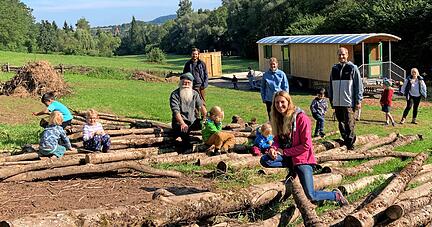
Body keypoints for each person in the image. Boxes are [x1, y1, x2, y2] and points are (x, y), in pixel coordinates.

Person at [260, 91, 348, 205]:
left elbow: (306, 146)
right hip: (289, 157)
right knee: (265, 160)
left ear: (289, 102)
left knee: (311, 195)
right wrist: (272, 148)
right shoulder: (278, 118)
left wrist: (284, 152)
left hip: (302, 158)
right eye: (276, 103)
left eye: (282, 102)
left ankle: (335, 195)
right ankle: (293, 170)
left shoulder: (301, 118)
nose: (279, 105)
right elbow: (277, 139)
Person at [328, 47, 363, 150]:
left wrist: (358, 100)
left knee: (349, 123)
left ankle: (351, 144)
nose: (341, 56)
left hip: (348, 101)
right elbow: (330, 85)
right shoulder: (334, 68)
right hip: (337, 102)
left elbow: (358, 85)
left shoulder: (353, 68)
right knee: (341, 123)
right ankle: (345, 140)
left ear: (347, 55)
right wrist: (331, 99)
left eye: (343, 54)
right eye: (339, 54)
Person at [170, 72, 207, 152]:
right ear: (180, 83)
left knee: (208, 125)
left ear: (191, 84)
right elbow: (176, 111)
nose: (186, 84)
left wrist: (205, 117)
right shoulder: (174, 94)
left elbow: (201, 106)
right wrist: (182, 123)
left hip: (193, 121)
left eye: (188, 83)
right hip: (180, 122)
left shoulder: (195, 94)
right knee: (185, 135)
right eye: (184, 82)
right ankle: (186, 152)